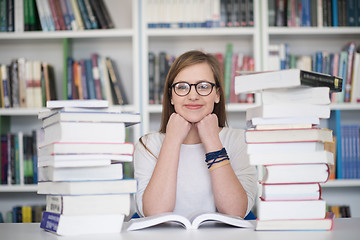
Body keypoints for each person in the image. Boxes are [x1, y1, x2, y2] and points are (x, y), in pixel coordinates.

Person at [134, 50, 257, 219]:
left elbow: (236, 212)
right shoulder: (148, 144)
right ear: (171, 96)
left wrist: (212, 140)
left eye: (204, 86)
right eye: (182, 87)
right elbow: (154, 213)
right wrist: (172, 140)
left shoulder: (239, 141)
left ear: (217, 95)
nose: (193, 95)